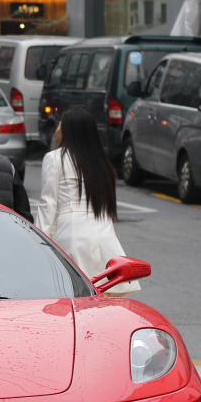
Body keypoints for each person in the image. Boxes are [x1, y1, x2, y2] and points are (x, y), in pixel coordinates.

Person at [39, 107, 139, 295]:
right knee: (103, 302)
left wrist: (37, 243)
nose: (57, 129)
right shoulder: (103, 164)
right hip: (104, 237)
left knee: (73, 298)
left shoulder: (54, 159)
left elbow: (48, 204)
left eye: (61, 124)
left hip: (72, 235)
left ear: (70, 131)